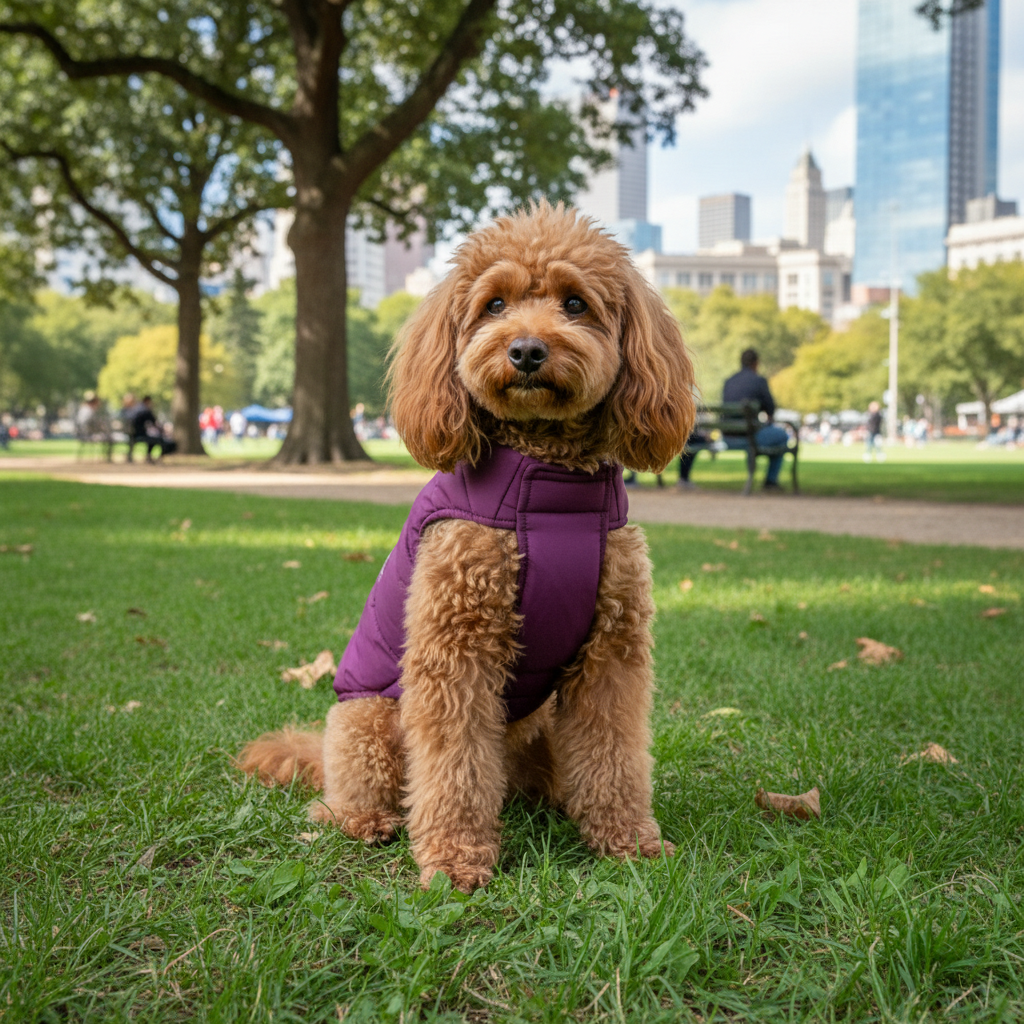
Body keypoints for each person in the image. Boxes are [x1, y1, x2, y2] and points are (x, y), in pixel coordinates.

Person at [722, 348, 790, 492]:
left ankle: (760, 476)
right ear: (756, 363)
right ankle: (771, 481)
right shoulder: (759, 381)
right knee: (782, 436)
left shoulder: (729, 381)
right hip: (749, 437)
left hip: (728, 437)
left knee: (768, 435)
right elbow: (770, 409)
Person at [128, 396, 163, 464]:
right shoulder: (145, 410)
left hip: (133, 433)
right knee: (157, 440)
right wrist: (161, 430)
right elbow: (154, 422)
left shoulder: (137, 409)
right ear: (147, 401)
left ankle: (149, 456)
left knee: (153, 439)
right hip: (139, 434)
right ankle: (150, 456)